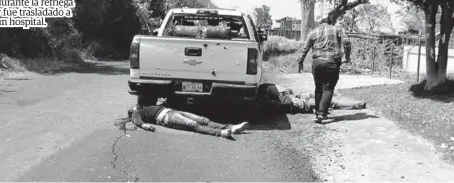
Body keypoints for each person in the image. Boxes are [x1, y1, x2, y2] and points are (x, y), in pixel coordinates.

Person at [297, 17, 352, 123]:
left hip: (317, 63)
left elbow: (305, 48)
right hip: (332, 62)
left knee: (318, 88)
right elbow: (347, 42)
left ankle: (319, 112)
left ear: (320, 24)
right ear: (330, 23)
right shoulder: (338, 29)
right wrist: (347, 57)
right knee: (328, 88)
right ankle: (322, 113)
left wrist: (300, 62)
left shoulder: (313, 32)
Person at [114, 105, 248, 139]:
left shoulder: (145, 108)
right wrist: (145, 125)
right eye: (132, 108)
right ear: (131, 111)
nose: (135, 107)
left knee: (203, 120)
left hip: (171, 111)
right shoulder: (137, 113)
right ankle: (222, 132)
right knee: (195, 125)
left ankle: (232, 127)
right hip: (167, 116)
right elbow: (138, 122)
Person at [256, 83, 365, 116]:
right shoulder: (267, 89)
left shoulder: (265, 90)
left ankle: (356, 104)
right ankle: (357, 104)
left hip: (296, 101)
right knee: (329, 102)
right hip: (297, 101)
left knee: (328, 101)